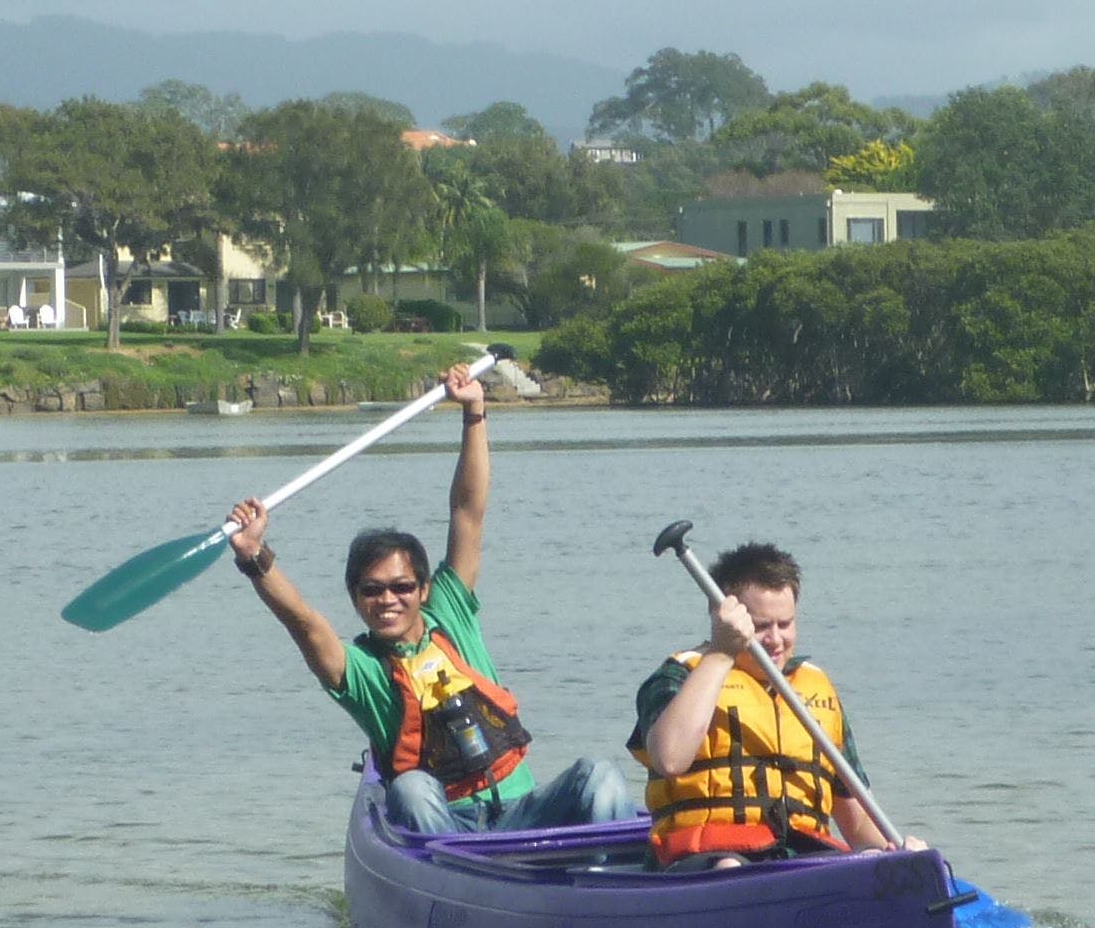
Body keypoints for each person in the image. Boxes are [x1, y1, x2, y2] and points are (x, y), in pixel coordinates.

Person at [229, 361, 640, 833]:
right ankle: (461, 879)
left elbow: (468, 512)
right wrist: (254, 555)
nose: (388, 599)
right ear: (356, 597)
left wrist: (474, 413)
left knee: (600, 774)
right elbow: (302, 621)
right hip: (449, 826)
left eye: (402, 587)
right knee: (408, 787)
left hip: (522, 814)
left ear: (423, 589)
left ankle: (609, 886)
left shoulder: (449, 609)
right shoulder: (361, 671)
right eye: (372, 589)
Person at [627, 541, 907, 865]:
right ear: (725, 618)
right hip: (708, 859)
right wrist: (721, 653)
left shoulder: (815, 690)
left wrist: (898, 854)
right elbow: (670, 758)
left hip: (800, 859)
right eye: (761, 627)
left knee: (874, 860)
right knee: (730, 868)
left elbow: (857, 823)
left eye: (785, 624)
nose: (775, 640)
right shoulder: (678, 677)